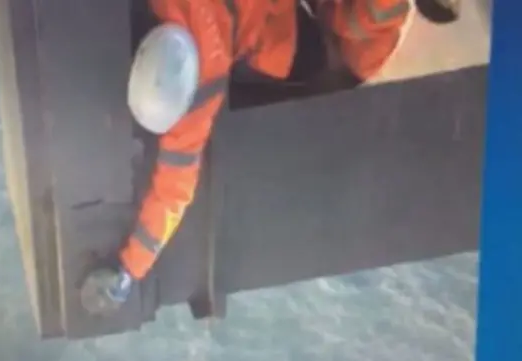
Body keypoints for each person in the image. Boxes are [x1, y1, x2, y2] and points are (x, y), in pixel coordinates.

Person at [81, 0, 414, 315]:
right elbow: (173, 189)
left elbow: (175, 187)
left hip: (276, 39)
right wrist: (128, 268)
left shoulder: (204, 78)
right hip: (267, 14)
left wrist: (128, 269)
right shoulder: (193, 64)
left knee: (317, 70)